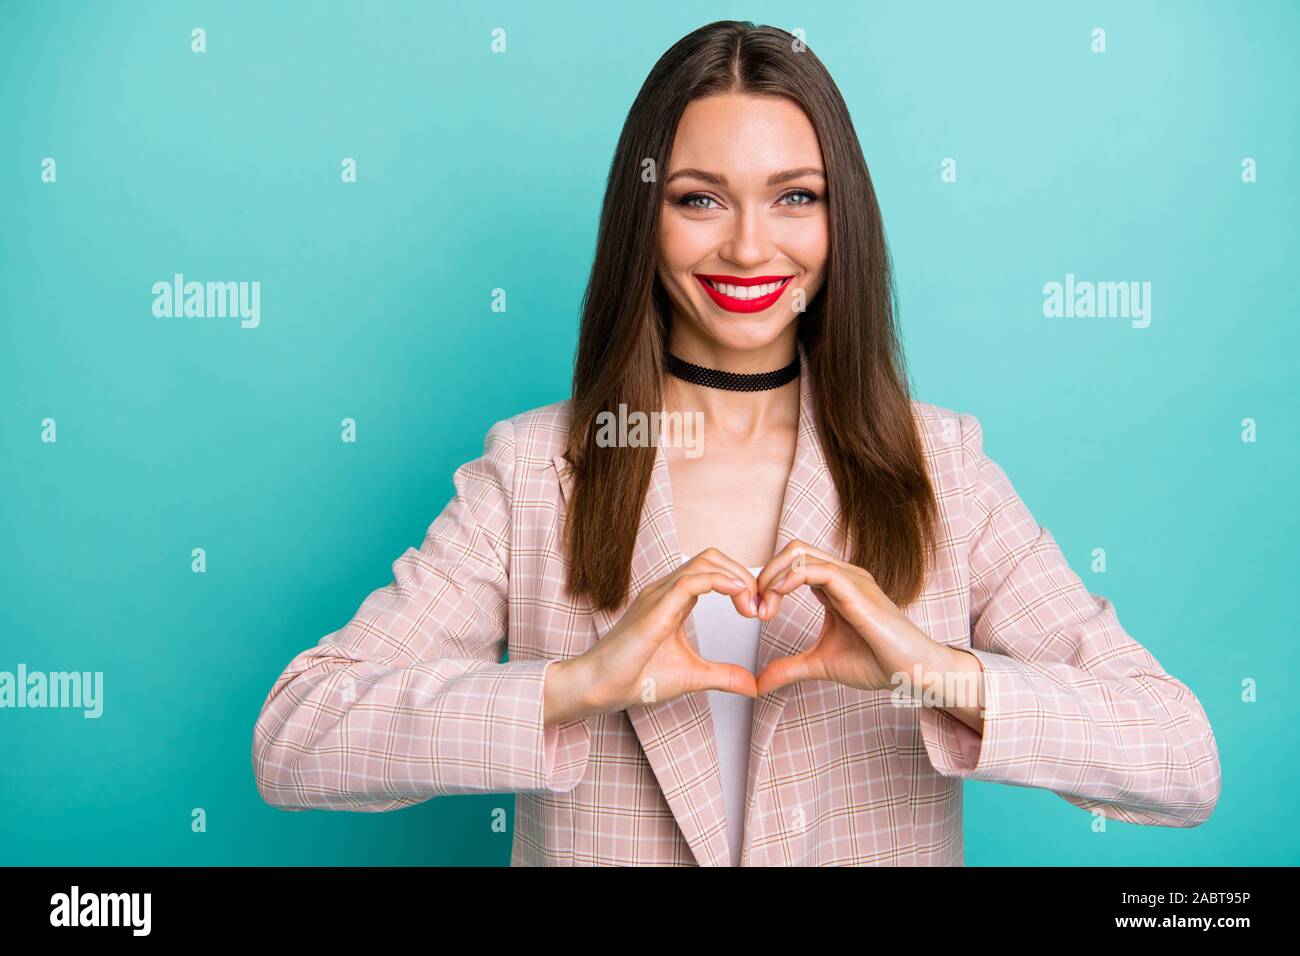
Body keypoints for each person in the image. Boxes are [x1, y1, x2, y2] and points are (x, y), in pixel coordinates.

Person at [251, 20, 1221, 866]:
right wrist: (574, 686)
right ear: (645, 216)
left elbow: (1179, 759)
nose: (751, 248)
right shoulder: (534, 471)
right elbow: (297, 738)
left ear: (843, 216)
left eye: (794, 196)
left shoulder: (944, 468)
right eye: (699, 198)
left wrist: (935, 668)